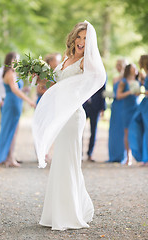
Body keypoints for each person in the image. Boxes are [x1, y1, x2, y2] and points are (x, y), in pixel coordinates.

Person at [33, 21, 106, 230]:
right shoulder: (66, 59)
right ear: (73, 38)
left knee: (68, 161)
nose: (82, 42)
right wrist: (41, 79)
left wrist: (78, 93)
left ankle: (70, 213)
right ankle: (59, 211)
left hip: (73, 115)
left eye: (86, 38)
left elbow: (99, 77)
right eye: (79, 37)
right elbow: (57, 85)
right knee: (61, 162)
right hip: (61, 114)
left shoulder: (85, 62)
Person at [0, 52, 35, 167]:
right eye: (16, 60)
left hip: (14, 103)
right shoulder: (10, 73)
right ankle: (8, 158)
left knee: (12, 131)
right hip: (12, 104)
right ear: (11, 60)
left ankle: (8, 158)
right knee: (10, 131)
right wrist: (29, 100)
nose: (18, 62)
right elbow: (14, 90)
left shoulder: (12, 73)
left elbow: (17, 89)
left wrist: (24, 89)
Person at [116, 64, 139, 165]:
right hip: (127, 109)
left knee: (137, 132)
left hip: (136, 108)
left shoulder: (139, 80)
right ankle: (128, 157)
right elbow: (118, 95)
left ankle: (138, 155)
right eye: (133, 68)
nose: (135, 70)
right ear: (129, 70)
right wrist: (129, 92)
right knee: (127, 132)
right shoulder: (123, 82)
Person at [129, 55, 148, 165]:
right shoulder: (145, 75)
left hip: (146, 104)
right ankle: (142, 156)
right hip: (144, 104)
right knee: (135, 125)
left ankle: (145, 158)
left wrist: (140, 92)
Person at [108, 59, 127, 163]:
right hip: (115, 106)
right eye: (117, 65)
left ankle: (122, 156)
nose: (118, 67)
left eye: (120, 64)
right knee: (113, 130)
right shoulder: (115, 79)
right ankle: (113, 155)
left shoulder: (127, 79)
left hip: (123, 106)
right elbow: (114, 92)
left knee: (122, 130)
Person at [83, 83, 106, 162]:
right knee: (80, 131)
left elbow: (103, 92)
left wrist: (103, 108)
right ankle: (79, 154)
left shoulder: (101, 73)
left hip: (96, 107)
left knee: (93, 131)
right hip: (83, 105)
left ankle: (90, 154)